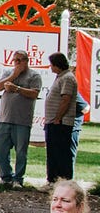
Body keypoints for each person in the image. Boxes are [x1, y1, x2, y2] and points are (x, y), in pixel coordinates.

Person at [0, 50, 42, 189]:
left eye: (21, 60)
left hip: (22, 120)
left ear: (27, 61)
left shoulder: (34, 75)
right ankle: (6, 176)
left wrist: (17, 89)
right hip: (4, 118)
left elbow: (34, 93)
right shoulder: (9, 73)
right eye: (15, 60)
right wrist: (14, 75)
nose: (18, 63)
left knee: (21, 151)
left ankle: (18, 179)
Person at [43, 52, 79, 184]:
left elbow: (66, 99)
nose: (50, 67)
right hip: (54, 121)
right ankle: (53, 179)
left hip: (60, 123)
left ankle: (62, 180)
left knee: (60, 153)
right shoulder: (60, 77)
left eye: (52, 64)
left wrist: (58, 117)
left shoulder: (68, 78)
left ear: (57, 65)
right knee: (52, 152)